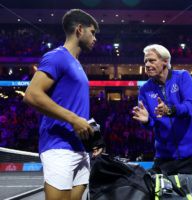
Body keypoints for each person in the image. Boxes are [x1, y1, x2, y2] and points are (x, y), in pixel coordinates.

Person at [23, 9, 99, 200]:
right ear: (79, 30)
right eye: (92, 32)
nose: (95, 38)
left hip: (80, 147)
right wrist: (74, 119)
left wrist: (93, 139)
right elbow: (31, 95)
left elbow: (76, 108)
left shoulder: (77, 64)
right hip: (59, 146)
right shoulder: (56, 56)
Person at [132, 44, 192, 175]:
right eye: (145, 61)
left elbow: (191, 107)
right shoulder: (144, 90)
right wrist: (146, 121)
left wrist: (170, 110)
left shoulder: (183, 77)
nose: (147, 64)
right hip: (164, 157)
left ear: (165, 61)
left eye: (152, 60)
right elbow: (152, 124)